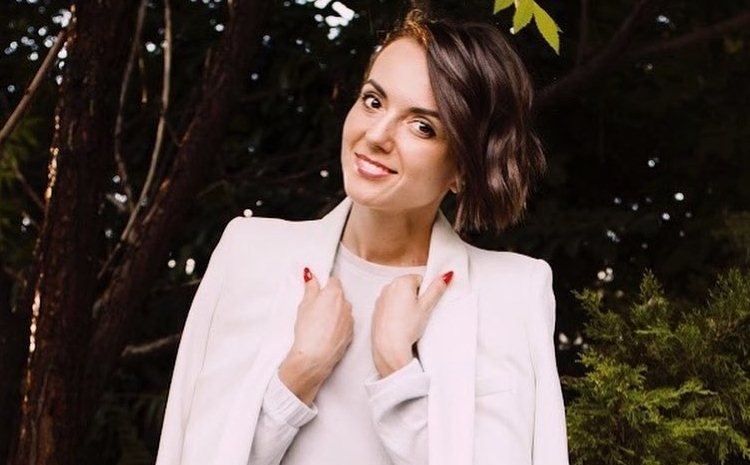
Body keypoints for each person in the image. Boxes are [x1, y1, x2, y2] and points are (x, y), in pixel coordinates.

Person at [155, 9, 569, 465]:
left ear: (463, 170)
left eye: (422, 126)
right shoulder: (249, 254)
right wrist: (298, 373)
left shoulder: (512, 294)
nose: (376, 135)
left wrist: (397, 370)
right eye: (373, 101)